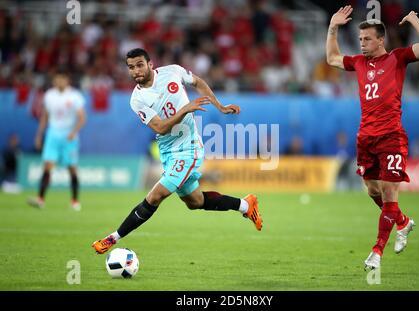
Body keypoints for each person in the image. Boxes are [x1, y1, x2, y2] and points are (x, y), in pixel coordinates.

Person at [92, 48, 263, 254]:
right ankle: (246, 205)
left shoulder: (172, 71)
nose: (136, 70)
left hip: (189, 147)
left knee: (156, 196)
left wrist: (220, 106)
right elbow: (160, 127)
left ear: (150, 64)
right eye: (131, 67)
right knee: (195, 201)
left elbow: (198, 82)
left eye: (139, 65)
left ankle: (112, 238)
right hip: (168, 150)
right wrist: (185, 109)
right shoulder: (137, 100)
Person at [326, 6, 419, 269]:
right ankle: (402, 222)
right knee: (372, 189)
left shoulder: (398, 58)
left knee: (389, 192)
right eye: (360, 39)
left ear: (380, 40)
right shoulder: (358, 63)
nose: (362, 43)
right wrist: (333, 27)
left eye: (367, 39)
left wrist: (413, 19)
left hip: (391, 136)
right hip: (365, 137)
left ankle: (377, 252)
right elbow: (332, 58)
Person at [27, 70, 86, 211]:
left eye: (62, 79)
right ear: (54, 80)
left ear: (67, 80)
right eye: (57, 79)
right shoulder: (49, 95)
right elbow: (45, 117)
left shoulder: (75, 96)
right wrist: (39, 135)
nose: (59, 82)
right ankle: (40, 199)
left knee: (72, 168)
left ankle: (75, 201)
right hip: (52, 134)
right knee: (47, 166)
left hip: (68, 136)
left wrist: (73, 132)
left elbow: (82, 117)